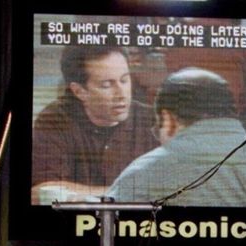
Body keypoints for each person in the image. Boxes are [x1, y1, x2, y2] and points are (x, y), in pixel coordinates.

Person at [108, 67, 246, 207]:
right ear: (231, 110)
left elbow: (105, 233)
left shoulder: (144, 173)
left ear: (168, 118)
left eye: (158, 128)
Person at [31, 44, 155, 204]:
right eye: (107, 85)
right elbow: (41, 192)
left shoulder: (153, 120)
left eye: (124, 80)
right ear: (79, 91)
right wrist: (126, 193)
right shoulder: (56, 119)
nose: (121, 94)